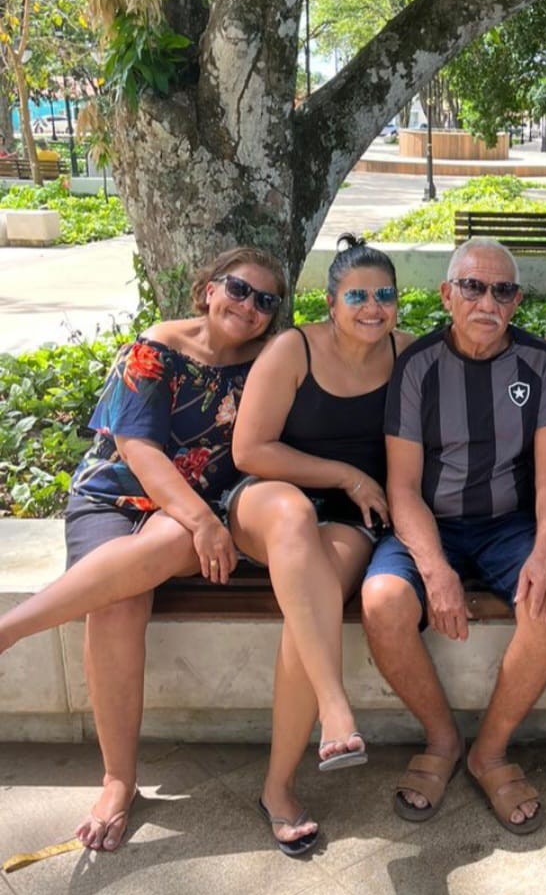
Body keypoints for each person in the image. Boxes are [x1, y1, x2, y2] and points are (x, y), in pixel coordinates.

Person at [0, 247, 285, 851]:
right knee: (117, 604)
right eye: (238, 289)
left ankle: (11, 628)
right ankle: (117, 779)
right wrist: (204, 524)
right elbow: (139, 450)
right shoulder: (155, 348)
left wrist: (206, 522)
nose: (249, 307)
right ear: (208, 288)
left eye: (266, 301)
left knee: (175, 541)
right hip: (115, 495)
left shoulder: (269, 361)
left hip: (195, 512)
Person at [362, 238, 546, 833]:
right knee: (382, 604)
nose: (488, 301)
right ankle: (442, 740)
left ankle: (490, 751)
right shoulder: (418, 366)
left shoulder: (538, 364)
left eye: (502, 290)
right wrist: (434, 570)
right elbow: (401, 487)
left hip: (510, 525)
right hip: (430, 522)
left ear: (516, 300)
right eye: (473, 287)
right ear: (447, 295)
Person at [227, 236, 413, 855]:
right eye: (356, 295)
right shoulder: (293, 348)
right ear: (330, 303)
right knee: (291, 516)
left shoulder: (407, 354)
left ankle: (277, 789)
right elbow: (250, 450)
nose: (372, 306)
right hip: (269, 501)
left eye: (384, 295)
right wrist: (344, 474)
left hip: (349, 521)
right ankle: (336, 710)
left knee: (313, 602)